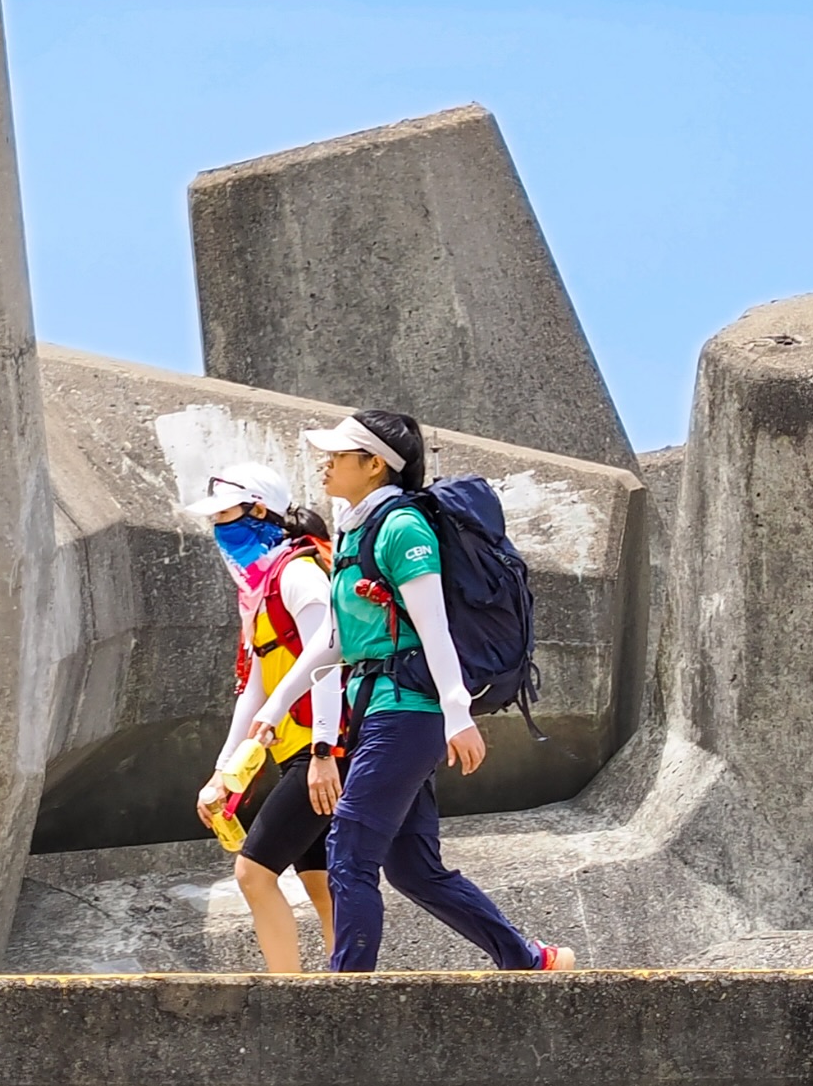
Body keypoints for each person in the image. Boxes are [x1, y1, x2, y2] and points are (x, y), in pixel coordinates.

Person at [252, 413, 576, 973]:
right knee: (412, 867)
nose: (325, 462)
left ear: (375, 465)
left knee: (349, 851)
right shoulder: (355, 532)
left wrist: (457, 714)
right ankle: (528, 959)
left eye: (339, 453)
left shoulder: (403, 528)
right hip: (380, 708)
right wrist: (275, 707)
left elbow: (434, 626)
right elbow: (336, 639)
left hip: (408, 711)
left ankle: (348, 997)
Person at [187, 462, 345, 973]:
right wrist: (222, 772)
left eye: (226, 514)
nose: (219, 529)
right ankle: (348, 986)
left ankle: (289, 992)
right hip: (295, 751)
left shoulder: (297, 572)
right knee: (322, 883)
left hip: (323, 749)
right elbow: (254, 685)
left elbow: (329, 645)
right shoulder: (261, 590)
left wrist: (314, 744)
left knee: (254, 874)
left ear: (261, 511)